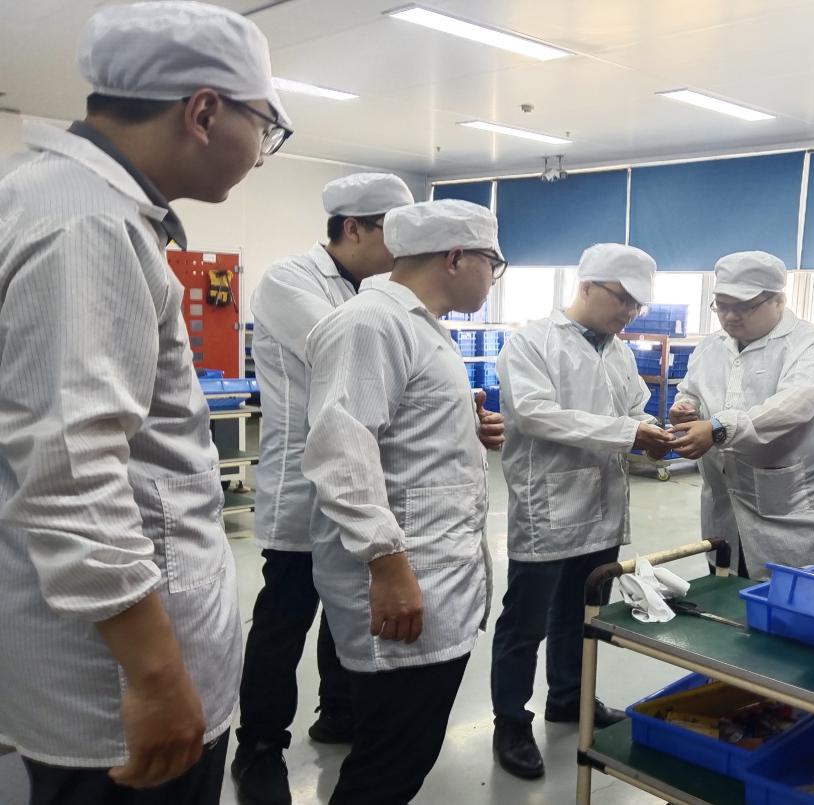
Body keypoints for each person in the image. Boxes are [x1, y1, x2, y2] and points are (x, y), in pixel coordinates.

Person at [0, 2, 291, 803]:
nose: (259, 152)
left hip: (103, 657)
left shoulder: (56, 198)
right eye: (264, 126)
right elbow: (71, 473)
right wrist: (158, 677)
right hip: (116, 684)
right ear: (204, 111)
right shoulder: (87, 226)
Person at [301, 199, 506, 804]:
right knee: (388, 766)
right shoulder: (371, 323)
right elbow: (342, 450)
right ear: (455, 257)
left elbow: (393, 432)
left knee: (401, 753)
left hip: (436, 571)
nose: (493, 279)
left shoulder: (420, 324)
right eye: (492, 264)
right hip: (406, 580)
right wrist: (388, 567)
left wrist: (460, 425)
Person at [232, 173, 414, 803]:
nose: (402, 245)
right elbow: (346, 353)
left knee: (349, 607)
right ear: (353, 227)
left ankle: (338, 712)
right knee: (285, 617)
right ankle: (259, 744)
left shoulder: (380, 289)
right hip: (303, 483)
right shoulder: (290, 280)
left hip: (363, 475)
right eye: (392, 230)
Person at [490, 244, 672, 779]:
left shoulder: (618, 351)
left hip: (602, 506)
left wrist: (655, 430)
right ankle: (510, 722)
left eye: (637, 305)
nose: (629, 313)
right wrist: (627, 432)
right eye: (623, 300)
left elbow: (634, 407)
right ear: (587, 285)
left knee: (583, 612)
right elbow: (535, 414)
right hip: (549, 506)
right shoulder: (532, 343)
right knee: (526, 622)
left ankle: (569, 697)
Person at [669, 251, 814, 579]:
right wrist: (686, 408)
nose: (730, 316)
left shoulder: (813, 345)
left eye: (743, 306)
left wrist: (718, 428)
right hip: (723, 510)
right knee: (724, 591)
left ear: (779, 300)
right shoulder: (711, 346)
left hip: (791, 518)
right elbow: (691, 390)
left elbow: (792, 406)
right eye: (722, 305)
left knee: (790, 599)